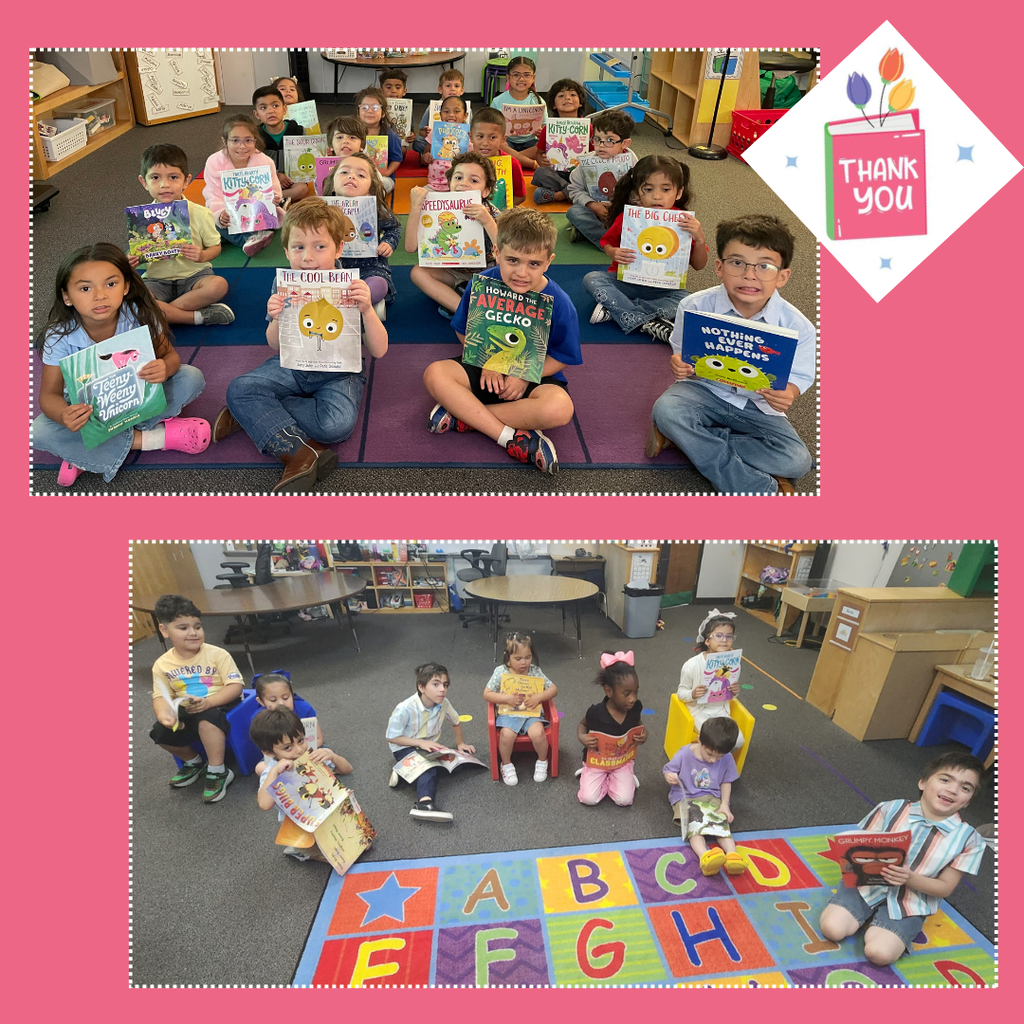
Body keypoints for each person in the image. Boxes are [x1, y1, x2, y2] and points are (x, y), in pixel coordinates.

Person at [211, 198, 388, 493]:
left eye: (320, 246)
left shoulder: (354, 287)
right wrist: (277, 317)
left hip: (341, 372)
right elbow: (273, 346)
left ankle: (256, 415)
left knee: (336, 426)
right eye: (298, 247)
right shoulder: (284, 285)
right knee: (238, 388)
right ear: (285, 250)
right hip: (293, 365)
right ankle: (292, 445)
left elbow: (380, 350)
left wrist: (368, 310)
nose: (308, 257)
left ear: (339, 248)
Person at [648, 214, 816, 494]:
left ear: (783, 276)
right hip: (704, 392)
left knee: (798, 461)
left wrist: (789, 392)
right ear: (719, 267)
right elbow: (682, 354)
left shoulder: (799, 326)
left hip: (758, 406)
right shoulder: (694, 306)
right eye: (737, 263)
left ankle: (684, 440)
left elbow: (798, 377)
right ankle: (753, 485)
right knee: (666, 411)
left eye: (765, 266)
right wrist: (678, 365)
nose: (750, 275)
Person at [32, 243, 209, 487]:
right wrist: (64, 415)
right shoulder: (59, 336)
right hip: (89, 410)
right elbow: (49, 396)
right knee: (39, 430)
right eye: (85, 288)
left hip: (139, 395)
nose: (100, 295)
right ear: (67, 297)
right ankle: (153, 439)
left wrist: (164, 367)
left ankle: (86, 452)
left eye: (111, 284)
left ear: (126, 286)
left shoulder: (140, 313)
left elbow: (171, 357)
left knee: (190, 377)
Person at [422, 206, 581, 474]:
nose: (522, 273)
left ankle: (466, 415)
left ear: (549, 261)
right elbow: (463, 329)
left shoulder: (560, 303)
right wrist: (487, 362)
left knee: (560, 409)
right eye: (513, 260)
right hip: (485, 365)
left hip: (532, 376)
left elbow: (562, 356)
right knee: (434, 374)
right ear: (496, 253)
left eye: (534, 264)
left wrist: (525, 375)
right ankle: (508, 436)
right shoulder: (481, 283)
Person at [819, 753, 986, 966]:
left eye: (965, 788)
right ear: (923, 782)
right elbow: (857, 848)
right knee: (832, 929)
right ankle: (861, 914)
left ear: (968, 801)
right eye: (945, 779)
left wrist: (909, 878)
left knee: (879, 954)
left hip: (911, 902)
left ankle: (888, 926)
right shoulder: (891, 809)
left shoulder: (970, 840)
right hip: (867, 886)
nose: (953, 790)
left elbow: (944, 888)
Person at [583, 155, 708, 343]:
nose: (657, 196)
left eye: (666, 189)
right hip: (625, 283)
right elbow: (606, 243)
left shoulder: (685, 223)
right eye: (648, 189)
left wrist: (699, 239)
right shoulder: (628, 217)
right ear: (637, 192)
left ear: (679, 192)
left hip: (665, 289)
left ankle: (621, 311)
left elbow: (699, 265)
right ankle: (649, 320)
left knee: (691, 303)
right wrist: (613, 252)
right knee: (592, 279)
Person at [148, 594, 244, 804]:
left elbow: (236, 686)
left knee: (206, 718)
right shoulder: (162, 665)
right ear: (165, 631)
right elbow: (161, 696)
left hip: (221, 705)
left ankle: (218, 770)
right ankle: (194, 761)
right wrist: (164, 715)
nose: (193, 632)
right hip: (186, 708)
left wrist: (210, 702)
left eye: (197, 626)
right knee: (159, 732)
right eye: (183, 628)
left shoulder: (217, 654)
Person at [130, 143, 233, 327]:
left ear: (186, 181)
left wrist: (202, 255)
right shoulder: (141, 218)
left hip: (195, 277)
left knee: (218, 285)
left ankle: (162, 313)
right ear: (143, 182)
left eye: (173, 177)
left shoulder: (201, 213)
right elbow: (140, 254)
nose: (165, 185)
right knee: (133, 296)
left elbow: (215, 247)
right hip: (156, 280)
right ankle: (195, 317)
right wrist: (133, 259)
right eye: (155, 177)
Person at [405, 152, 501, 318]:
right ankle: (463, 311)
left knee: (511, 280)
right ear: (449, 182)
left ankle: (464, 295)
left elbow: (507, 252)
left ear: (486, 191)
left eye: (474, 180)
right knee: (418, 273)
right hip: (453, 272)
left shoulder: (492, 212)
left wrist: (488, 222)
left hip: (488, 274)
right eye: (458, 178)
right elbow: (410, 247)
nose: (464, 183)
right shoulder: (439, 208)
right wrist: (415, 207)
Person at [251, 707, 352, 861]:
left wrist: (333, 756)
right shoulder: (272, 772)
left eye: (301, 741)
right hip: (302, 827)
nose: (299, 750)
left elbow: (347, 770)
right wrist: (274, 772)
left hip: (327, 813)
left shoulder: (310, 756)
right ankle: (299, 850)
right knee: (338, 858)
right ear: (269, 753)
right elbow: (264, 804)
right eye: (287, 748)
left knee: (362, 843)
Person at [386, 662, 476, 822]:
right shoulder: (405, 708)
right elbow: (391, 737)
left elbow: (455, 721)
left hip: (430, 747)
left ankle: (404, 772)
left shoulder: (444, 703)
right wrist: (420, 743)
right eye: (436, 684)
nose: (442, 689)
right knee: (428, 770)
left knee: (455, 767)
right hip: (404, 746)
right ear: (421, 687)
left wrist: (460, 743)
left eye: (445, 685)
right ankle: (424, 804)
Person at [663, 717, 747, 876]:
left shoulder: (727, 757)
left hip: (711, 795)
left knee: (721, 825)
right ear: (700, 740)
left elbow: (726, 781)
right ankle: (705, 856)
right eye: (710, 754)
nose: (713, 760)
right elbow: (669, 769)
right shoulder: (685, 753)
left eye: (719, 757)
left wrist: (725, 805)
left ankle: (732, 855)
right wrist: (670, 775)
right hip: (685, 795)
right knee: (695, 825)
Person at [321, 152, 401, 310]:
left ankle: (357, 304)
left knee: (379, 284)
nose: (351, 176)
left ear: (371, 189)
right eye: (344, 172)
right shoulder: (321, 209)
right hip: (331, 268)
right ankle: (355, 307)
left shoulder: (377, 210)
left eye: (360, 175)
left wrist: (388, 242)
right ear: (332, 181)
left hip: (370, 268)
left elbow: (394, 227)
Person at [202, 114, 283, 257]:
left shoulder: (264, 161)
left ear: (255, 141)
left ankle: (246, 238)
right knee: (208, 221)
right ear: (225, 141)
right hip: (230, 215)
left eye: (248, 140)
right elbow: (212, 195)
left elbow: (274, 189)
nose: (242, 146)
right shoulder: (214, 162)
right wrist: (220, 214)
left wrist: (274, 199)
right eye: (235, 140)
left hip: (257, 213)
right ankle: (255, 237)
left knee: (214, 237)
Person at [483, 631, 558, 785]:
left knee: (538, 734)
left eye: (528, 657)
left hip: (531, 713)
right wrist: (506, 698)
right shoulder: (500, 672)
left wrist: (539, 697)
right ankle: (506, 764)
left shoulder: (535, 671)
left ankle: (542, 761)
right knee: (506, 736)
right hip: (508, 714)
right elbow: (487, 694)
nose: (523, 663)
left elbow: (553, 689)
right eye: (518, 658)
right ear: (507, 656)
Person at [577, 652, 647, 806]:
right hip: (597, 761)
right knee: (589, 799)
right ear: (609, 691)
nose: (633, 698)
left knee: (625, 800)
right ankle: (593, 775)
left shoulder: (635, 708)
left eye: (636, 691)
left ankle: (622, 778)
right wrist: (582, 737)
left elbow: (639, 724)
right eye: (626, 694)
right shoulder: (596, 712)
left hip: (621, 761)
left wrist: (644, 735)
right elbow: (582, 725)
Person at [252, 671, 352, 776]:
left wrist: (331, 756)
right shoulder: (260, 720)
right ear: (261, 701)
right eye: (273, 700)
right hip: (278, 756)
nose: (281, 703)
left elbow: (347, 769)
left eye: (286, 698)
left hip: (310, 748)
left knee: (326, 752)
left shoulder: (304, 708)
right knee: (260, 767)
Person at [566, 110, 636, 247]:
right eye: (597, 139)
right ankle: (608, 244)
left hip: (622, 213)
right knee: (574, 212)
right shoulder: (586, 162)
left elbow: (641, 194)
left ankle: (587, 233)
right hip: (595, 212)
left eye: (610, 140)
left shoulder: (635, 164)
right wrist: (592, 205)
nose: (601, 145)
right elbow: (574, 189)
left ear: (625, 143)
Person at [676, 609, 744, 750]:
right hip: (698, 711)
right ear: (707, 640)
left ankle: (718, 761)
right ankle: (707, 759)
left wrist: (735, 691)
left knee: (738, 742)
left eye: (729, 636)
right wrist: (693, 694)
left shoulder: (733, 663)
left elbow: (730, 693)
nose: (724, 640)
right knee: (715, 740)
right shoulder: (692, 665)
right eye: (718, 635)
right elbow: (681, 693)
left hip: (722, 711)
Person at [527, 78, 589, 203]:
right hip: (557, 173)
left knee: (594, 178)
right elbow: (539, 153)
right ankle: (572, 193)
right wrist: (542, 161)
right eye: (561, 95)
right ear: (554, 105)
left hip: (581, 173)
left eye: (572, 95)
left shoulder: (589, 127)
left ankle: (559, 196)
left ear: (580, 102)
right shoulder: (548, 128)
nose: (567, 98)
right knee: (540, 173)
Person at [251, 84, 310, 205]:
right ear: (256, 114)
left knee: (302, 189)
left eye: (275, 105)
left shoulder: (298, 131)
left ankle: (272, 199)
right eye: (263, 108)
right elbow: (253, 164)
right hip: (267, 180)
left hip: (292, 180)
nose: (270, 111)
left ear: (284, 109)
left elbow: (306, 159)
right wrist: (276, 174)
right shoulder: (254, 136)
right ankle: (275, 199)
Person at [489, 54, 544, 168]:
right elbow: (490, 126)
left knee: (543, 146)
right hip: (507, 142)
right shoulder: (498, 101)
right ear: (508, 78)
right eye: (516, 75)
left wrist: (541, 132)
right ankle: (528, 163)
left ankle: (513, 160)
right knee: (497, 144)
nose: (521, 79)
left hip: (530, 143)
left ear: (533, 78)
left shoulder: (539, 101)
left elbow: (545, 127)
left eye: (527, 75)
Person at [468, 108, 526, 207]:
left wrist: (503, 210)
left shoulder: (512, 164)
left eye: (492, 137)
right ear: (471, 137)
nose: (485, 143)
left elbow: (520, 196)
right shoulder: (466, 163)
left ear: (503, 139)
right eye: (480, 136)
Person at [354, 87, 402, 193]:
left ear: (383, 113)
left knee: (379, 186)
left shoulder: (390, 135)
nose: (370, 111)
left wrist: (387, 172)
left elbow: (397, 159)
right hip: (358, 175)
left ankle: (376, 203)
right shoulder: (353, 134)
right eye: (364, 107)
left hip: (383, 177)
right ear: (358, 113)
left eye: (375, 107)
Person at [420, 94, 470, 191]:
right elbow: (424, 158)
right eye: (446, 111)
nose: (451, 114)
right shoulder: (434, 133)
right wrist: (426, 157)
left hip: (460, 185)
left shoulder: (469, 136)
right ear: (440, 114)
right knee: (420, 197)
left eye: (457, 111)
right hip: (435, 185)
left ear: (465, 115)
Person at [412, 69, 466, 157]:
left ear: (462, 90)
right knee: (418, 142)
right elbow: (421, 132)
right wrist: (426, 132)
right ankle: (433, 155)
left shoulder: (466, 109)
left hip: (457, 143)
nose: (452, 89)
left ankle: (438, 155)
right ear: (440, 89)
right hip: (436, 141)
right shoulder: (432, 107)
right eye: (448, 86)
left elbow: (471, 131)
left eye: (456, 86)